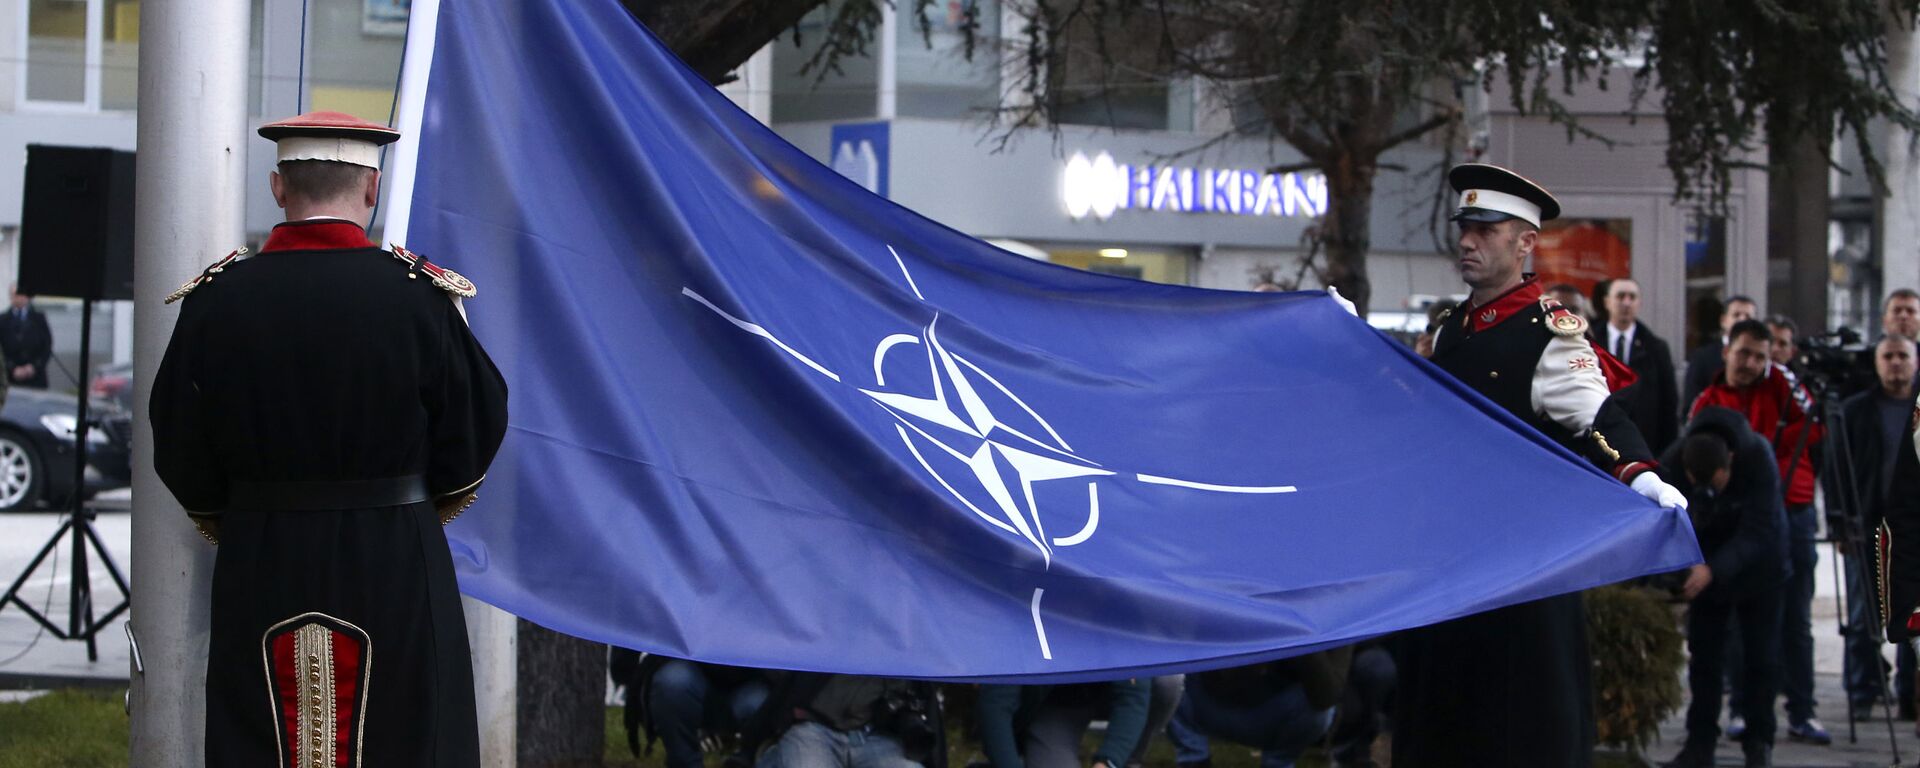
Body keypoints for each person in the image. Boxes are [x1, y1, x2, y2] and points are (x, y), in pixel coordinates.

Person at [150, 111, 510, 766]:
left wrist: (241, 518)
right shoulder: (421, 299)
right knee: (408, 737)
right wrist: (407, 509)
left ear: (278, 188)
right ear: (371, 190)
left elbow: (177, 441)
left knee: (260, 738)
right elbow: (478, 426)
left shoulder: (215, 301)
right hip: (397, 555)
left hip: (261, 553)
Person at [1397, 163, 1687, 768]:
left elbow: (1597, 416)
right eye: (1465, 228)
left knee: (1518, 729)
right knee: (1439, 722)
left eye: (1486, 229)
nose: (1468, 241)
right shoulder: (1451, 329)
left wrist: (1642, 473)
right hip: (1448, 563)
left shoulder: (1549, 333)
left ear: (1525, 242)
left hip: (1518, 574)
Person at [1690, 319, 1827, 744]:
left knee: (1795, 622)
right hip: (1736, 528)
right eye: (1745, 352)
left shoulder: (1783, 386)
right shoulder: (1707, 402)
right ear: (1726, 349)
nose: (1751, 363)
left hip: (1791, 510)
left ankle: (1801, 711)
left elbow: (1815, 434)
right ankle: (1742, 710)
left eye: (1761, 357)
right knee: (1735, 631)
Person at [1658, 408, 1791, 768]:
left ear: (1730, 463)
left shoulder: (1758, 458)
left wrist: (1714, 569)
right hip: (1706, 572)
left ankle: (1758, 743)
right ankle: (1699, 745)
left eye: (1713, 483)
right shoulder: (1675, 458)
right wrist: (1690, 562)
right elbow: (1669, 518)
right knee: (1705, 660)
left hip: (1760, 571)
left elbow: (1761, 529)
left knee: (1760, 659)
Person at [1839, 336, 1919, 718]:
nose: (1896, 363)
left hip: (1912, 527)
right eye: (1888, 356)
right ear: (1876, 363)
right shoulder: (1856, 411)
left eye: (1903, 356)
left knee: (1912, 613)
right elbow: (1839, 466)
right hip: (1867, 526)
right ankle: (1862, 692)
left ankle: (1909, 694)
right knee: (1862, 616)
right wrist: (1841, 523)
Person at [753, 674, 941, 768]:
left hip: (877, 737)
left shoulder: (902, 636)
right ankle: (775, 757)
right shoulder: (824, 622)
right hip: (814, 728)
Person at [977, 680, 1150, 768]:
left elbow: (1133, 696)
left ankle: (1130, 759)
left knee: (1167, 681)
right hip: (1055, 704)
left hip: (1107, 690)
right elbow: (995, 706)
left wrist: (1109, 762)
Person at [1595, 277, 1680, 454]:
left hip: (1642, 443)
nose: (1626, 303)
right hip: (1598, 438)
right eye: (1620, 296)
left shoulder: (1656, 348)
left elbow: (1668, 403)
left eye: (1632, 297)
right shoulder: (1591, 341)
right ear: (1607, 302)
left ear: (1639, 303)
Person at [1683, 295, 1759, 416]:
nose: (1742, 320)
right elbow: (1691, 403)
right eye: (1736, 315)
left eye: (1748, 316)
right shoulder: (1702, 357)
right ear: (1723, 321)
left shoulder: (1762, 358)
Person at [0, 284, 53, 389]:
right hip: (9, 380)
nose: (19, 298)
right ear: (10, 297)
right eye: (16, 295)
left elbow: (47, 346)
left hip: (36, 380)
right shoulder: (2, 320)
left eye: (22, 294)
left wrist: (33, 367)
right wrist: (12, 368)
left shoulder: (39, 318)